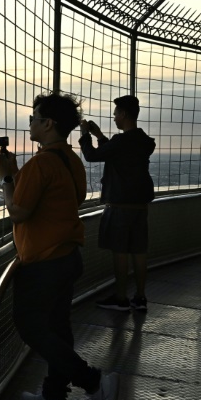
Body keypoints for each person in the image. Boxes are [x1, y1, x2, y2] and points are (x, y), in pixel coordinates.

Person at [0, 92, 120, 400]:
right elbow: (66, 198)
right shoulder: (70, 160)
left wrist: (7, 179)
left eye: (35, 118)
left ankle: (93, 382)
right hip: (67, 256)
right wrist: (19, 178)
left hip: (43, 262)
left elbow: (19, 211)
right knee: (58, 330)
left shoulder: (42, 163)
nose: (31, 123)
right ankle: (53, 399)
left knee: (31, 326)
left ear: (48, 124)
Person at [78, 95, 156, 312]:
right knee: (139, 252)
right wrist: (100, 136)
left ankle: (121, 297)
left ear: (123, 114)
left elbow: (92, 156)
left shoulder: (122, 142)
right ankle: (140, 297)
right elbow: (115, 153)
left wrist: (85, 135)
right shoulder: (143, 141)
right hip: (140, 207)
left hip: (120, 207)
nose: (114, 118)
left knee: (120, 252)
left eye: (115, 114)